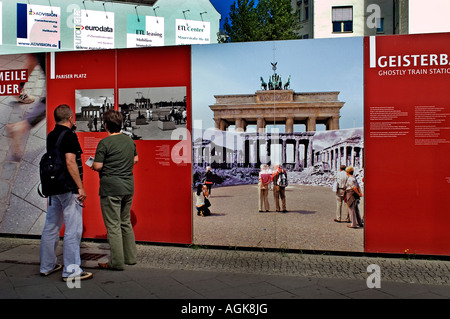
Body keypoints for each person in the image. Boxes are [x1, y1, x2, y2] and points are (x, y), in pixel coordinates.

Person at [39, 104, 92, 282]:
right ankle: (71, 271)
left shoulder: (51, 135)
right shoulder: (69, 136)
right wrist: (80, 187)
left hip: (53, 187)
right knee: (73, 230)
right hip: (68, 188)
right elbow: (70, 162)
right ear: (70, 118)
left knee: (51, 226)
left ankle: (47, 265)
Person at [92, 110, 139, 270]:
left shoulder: (104, 143)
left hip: (111, 187)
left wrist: (96, 164)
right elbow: (136, 159)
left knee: (113, 225)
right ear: (121, 124)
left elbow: (97, 166)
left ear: (105, 125)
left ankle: (117, 262)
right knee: (125, 222)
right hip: (128, 187)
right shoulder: (129, 141)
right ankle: (130, 258)